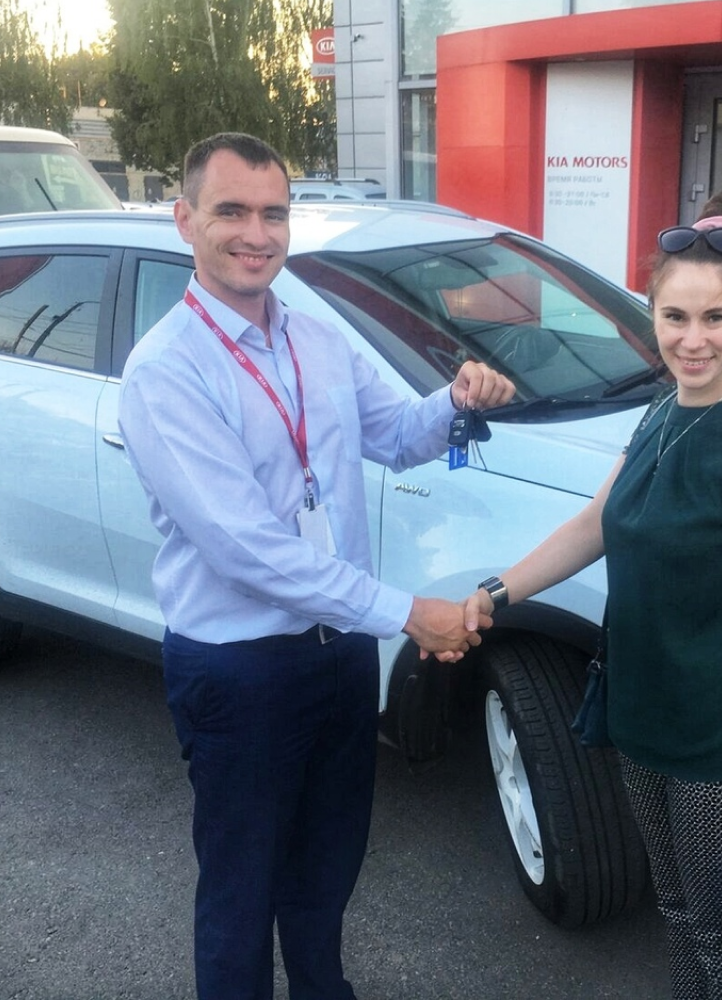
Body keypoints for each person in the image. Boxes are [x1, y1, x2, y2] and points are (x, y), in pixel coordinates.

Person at [117, 132, 514, 1000]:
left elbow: (396, 433)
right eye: (231, 211)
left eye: (274, 213)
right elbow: (246, 550)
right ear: (185, 220)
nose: (256, 234)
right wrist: (407, 612)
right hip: (239, 669)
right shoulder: (165, 372)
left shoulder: (317, 338)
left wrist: (454, 399)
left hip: (339, 656)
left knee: (326, 872)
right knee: (241, 891)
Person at [461, 192, 722, 1000]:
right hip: (643, 718)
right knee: (677, 912)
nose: (692, 339)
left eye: (716, 318)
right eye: (675, 317)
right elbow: (596, 522)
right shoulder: (661, 413)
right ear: (653, 317)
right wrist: (500, 589)